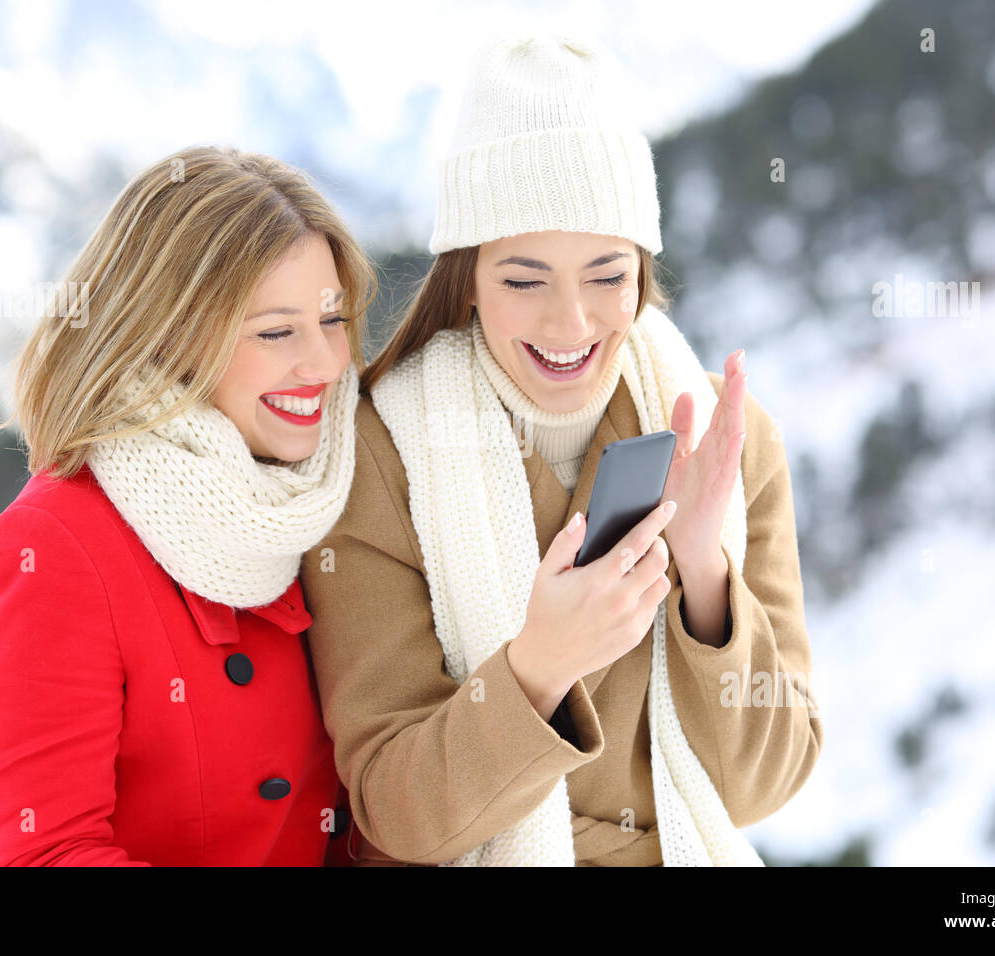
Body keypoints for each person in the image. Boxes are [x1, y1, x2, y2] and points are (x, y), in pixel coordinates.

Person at [299, 35, 823, 866]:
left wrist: (707, 582)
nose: (571, 325)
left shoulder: (726, 440)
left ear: (645, 272)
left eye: (608, 275)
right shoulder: (381, 454)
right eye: (524, 279)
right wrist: (538, 669)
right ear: (466, 274)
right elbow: (393, 813)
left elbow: (768, 782)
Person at [0, 145, 374, 865]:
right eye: (277, 332)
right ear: (168, 335)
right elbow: (44, 854)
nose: (324, 364)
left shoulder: (332, 489)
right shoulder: (57, 542)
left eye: (333, 320)